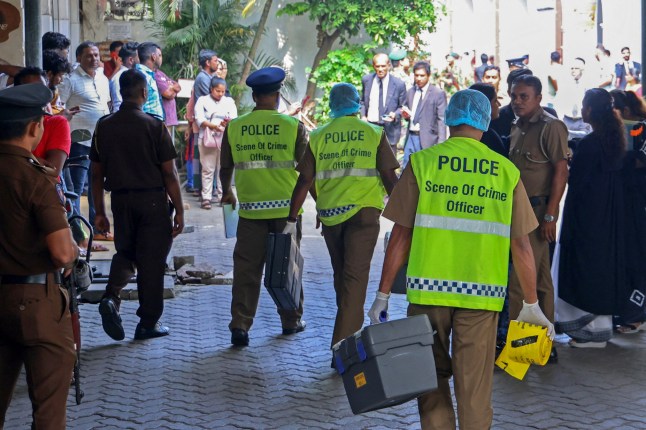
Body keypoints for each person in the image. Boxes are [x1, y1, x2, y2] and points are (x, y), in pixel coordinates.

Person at [368, 89, 553, 430]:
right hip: (481, 297)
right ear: (484, 122)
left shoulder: (423, 163)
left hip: (427, 294)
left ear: (449, 119)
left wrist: (382, 293)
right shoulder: (505, 171)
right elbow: (522, 247)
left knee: (430, 382)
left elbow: (400, 234)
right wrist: (530, 303)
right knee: (475, 388)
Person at [287, 82, 398, 354]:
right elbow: (390, 179)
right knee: (353, 280)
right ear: (356, 103)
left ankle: (345, 339)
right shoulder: (373, 133)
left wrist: (291, 218)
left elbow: (304, 180)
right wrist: (404, 218)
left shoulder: (320, 135)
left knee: (344, 278)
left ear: (333, 105)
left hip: (332, 217)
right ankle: (343, 350)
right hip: (364, 214)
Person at [0, 83, 78, 429]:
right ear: (35, 127)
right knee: (48, 412)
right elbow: (62, 252)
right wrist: (76, 251)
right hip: (36, 301)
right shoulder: (35, 178)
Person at [91, 69, 184, 341]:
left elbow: (96, 174)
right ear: (144, 93)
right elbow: (170, 173)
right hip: (152, 201)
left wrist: (100, 212)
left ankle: (111, 297)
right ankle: (147, 323)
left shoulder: (104, 126)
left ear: (121, 93)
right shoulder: (155, 126)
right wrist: (178, 208)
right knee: (152, 262)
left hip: (121, 201)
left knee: (126, 252)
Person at [220, 67, 307, 347]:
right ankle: (291, 319)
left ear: (255, 96)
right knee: (286, 269)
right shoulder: (293, 126)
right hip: (287, 213)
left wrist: (227, 193)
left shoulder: (234, 126)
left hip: (251, 213)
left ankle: (241, 325)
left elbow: (225, 167)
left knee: (247, 271)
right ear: (277, 95)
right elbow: (307, 172)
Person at [556, 89, 629, 347]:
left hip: (587, 215)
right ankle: (600, 327)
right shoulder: (612, 140)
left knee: (586, 264)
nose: (582, 110)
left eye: (585, 106)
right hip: (606, 213)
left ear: (591, 110)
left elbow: (577, 181)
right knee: (601, 264)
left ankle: (589, 331)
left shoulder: (590, 144)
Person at [508, 74, 569, 362]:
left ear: (538, 98)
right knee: (540, 279)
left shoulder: (551, 127)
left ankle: (524, 349)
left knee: (522, 281)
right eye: (514, 96)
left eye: (523, 97)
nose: (517, 101)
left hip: (535, 212)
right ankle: (543, 346)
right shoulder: (517, 126)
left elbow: (561, 170)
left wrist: (550, 214)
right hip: (516, 211)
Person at [58, 41, 111, 240]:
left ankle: (98, 230)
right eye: (89, 55)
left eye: (96, 55)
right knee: (76, 189)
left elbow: (106, 105)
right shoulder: (70, 80)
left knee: (97, 187)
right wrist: (66, 114)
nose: (94, 59)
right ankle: (77, 235)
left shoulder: (103, 79)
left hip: (101, 142)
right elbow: (58, 106)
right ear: (79, 58)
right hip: (79, 141)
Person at [195, 77, 237, 208]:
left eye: (223, 91)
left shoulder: (229, 101)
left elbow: (234, 118)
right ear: (211, 89)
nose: (220, 94)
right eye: (218, 91)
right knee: (208, 169)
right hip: (207, 139)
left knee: (223, 169)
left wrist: (226, 123)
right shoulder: (202, 100)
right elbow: (199, 119)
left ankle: (223, 196)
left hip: (224, 139)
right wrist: (213, 126)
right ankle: (206, 197)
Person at [185, 49, 219, 194]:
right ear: (207, 62)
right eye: (215, 60)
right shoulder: (203, 78)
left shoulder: (210, 76)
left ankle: (208, 189)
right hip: (205, 126)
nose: (217, 63)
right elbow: (213, 98)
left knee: (208, 160)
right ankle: (203, 190)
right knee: (204, 160)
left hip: (211, 126)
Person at [401, 61, 447, 168]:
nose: (419, 78)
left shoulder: (437, 93)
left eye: (422, 76)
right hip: (411, 136)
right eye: (416, 75)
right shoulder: (411, 92)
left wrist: (441, 143)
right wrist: (406, 116)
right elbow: (410, 113)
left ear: (428, 76)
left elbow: (442, 120)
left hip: (428, 138)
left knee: (425, 169)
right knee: (406, 168)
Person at [360, 53, 407, 154]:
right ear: (373, 66)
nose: (380, 69)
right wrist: (363, 116)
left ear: (388, 66)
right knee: (370, 164)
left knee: (389, 166)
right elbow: (362, 101)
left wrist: (395, 114)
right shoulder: (367, 80)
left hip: (389, 130)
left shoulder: (399, 84)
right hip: (371, 127)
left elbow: (403, 107)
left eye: (383, 66)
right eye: (377, 66)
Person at [470, 83, 507, 157]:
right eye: (495, 101)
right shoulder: (486, 135)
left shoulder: (472, 130)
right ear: (485, 105)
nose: (499, 104)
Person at [134, 42, 164, 121]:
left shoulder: (149, 75)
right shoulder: (142, 76)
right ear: (153, 57)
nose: (161, 58)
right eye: (159, 55)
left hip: (153, 125)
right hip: (147, 125)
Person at [110, 41, 139, 113]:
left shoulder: (133, 75)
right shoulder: (119, 78)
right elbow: (118, 106)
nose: (142, 60)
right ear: (131, 60)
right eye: (139, 57)